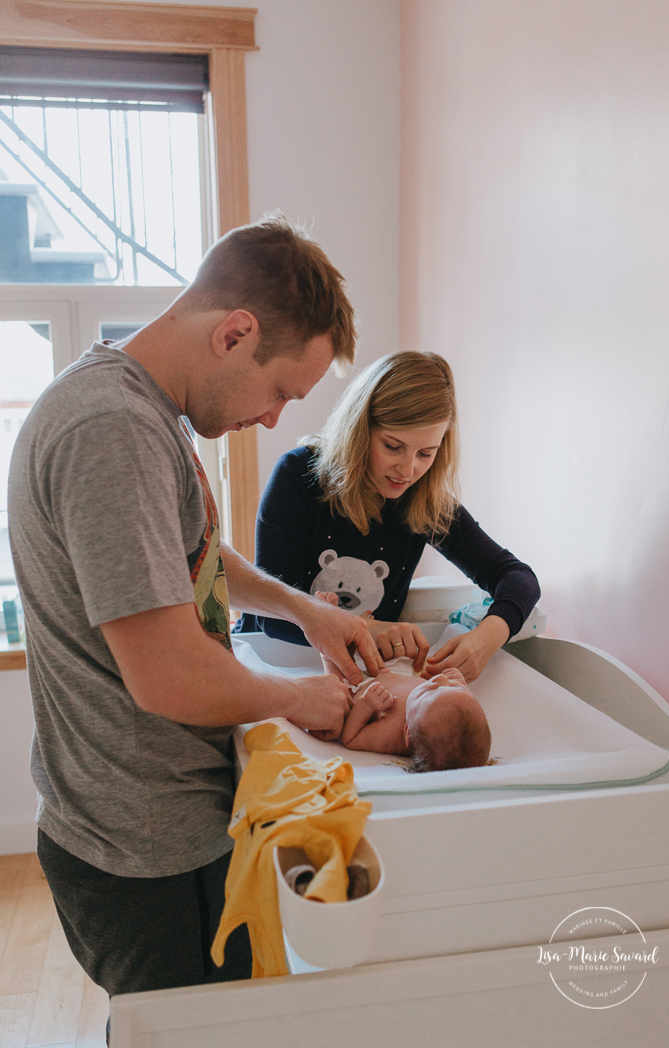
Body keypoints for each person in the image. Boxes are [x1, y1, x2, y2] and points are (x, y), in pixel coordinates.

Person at [7, 214, 384, 1001]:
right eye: (280, 389)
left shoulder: (141, 409)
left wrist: (303, 611)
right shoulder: (113, 429)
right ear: (235, 333)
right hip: (138, 850)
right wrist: (299, 698)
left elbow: (194, 555)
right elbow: (170, 680)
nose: (275, 418)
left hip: (161, 823)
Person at [236, 351, 540, 683]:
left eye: (426, 453)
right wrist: (370, 628)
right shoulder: (298, 475)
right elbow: (273, 618)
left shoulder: (424, 499)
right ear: (359, 431)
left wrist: (487, 637)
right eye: (393, 447)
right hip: (269, 654)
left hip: (358, 670)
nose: (408, 470)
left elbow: (517, 577)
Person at [323, 662, 491, 771]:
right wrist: (459, 682)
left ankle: (327, 654)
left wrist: (366, 705)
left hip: (355, 687)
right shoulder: (433, 711)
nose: (440, 678)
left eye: (429, 690)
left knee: (335, 670)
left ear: (407, 732)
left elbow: (351, 738)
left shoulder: (391, 733)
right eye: (457, 688)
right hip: (391, 672)